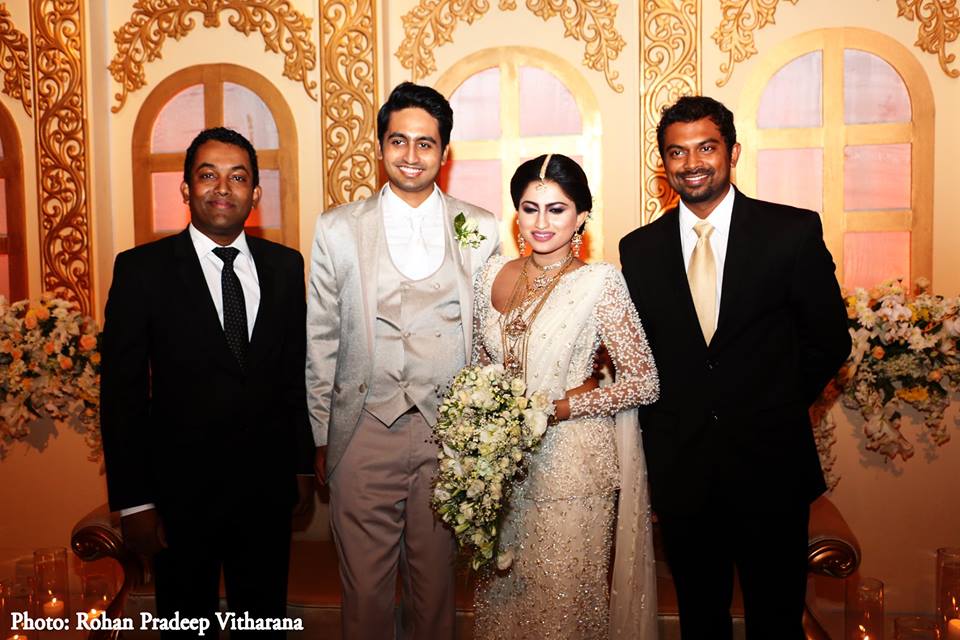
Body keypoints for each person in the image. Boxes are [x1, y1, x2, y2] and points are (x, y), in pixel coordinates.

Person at [619, 96, 852, 639]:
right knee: (701, 620)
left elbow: (829, 339)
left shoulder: (790, 231)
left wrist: (773, 405)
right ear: (663, 163)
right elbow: (642, 356)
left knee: (776, 620)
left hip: (772, 464)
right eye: (677, 152)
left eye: (706, 147)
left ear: (733, 152)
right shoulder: (640, 250)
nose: (692, 163)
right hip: (683, 471)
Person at [100, 127, 315, 635]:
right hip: (179, 500)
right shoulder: (141, 270)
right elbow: (122, 395)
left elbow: (294, 376)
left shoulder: (285, 267)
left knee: (261, 624)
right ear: (186, 188)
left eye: (237, 177)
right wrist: (135, 502)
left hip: (265, 495)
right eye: (208, 175)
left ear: (255, 194)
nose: (223, 187)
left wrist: (302, 466)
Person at [305, 82, 500, 640]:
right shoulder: (338, 228)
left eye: (425, 143)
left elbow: (493, 333)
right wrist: (321, 431)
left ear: (444, 152)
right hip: (363, 430)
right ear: (381, 146)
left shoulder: (480, 227)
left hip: (449, 436)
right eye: (399, 141)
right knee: (365, 594)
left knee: (435, 592)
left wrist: (485, 432)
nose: (411, 155)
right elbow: (321, 336)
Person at [472, 154, 660, 639]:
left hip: (572, 470)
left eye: (557, 209)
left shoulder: (600, 282)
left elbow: (644, 380)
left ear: (580, 217)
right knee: (505, 607)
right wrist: (476, 434)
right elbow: (478, 366)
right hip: (500, 471)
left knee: (561, 610)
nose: (542, 222)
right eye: (530, 208)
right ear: (516, 213)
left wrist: (560, 408)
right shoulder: (489, 275)